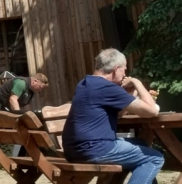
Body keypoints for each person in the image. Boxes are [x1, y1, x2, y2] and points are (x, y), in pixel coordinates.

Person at [64, 49, 162, 184]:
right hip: (95, 149)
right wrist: (136, 82)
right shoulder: (106, 88)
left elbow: (118, 114)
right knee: (154, 158)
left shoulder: (85, 83)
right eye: (124, 70)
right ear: (116, 69)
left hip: (74, 149)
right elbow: (152, 111)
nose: (125, 74)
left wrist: (128, 93)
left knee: (142, 144)